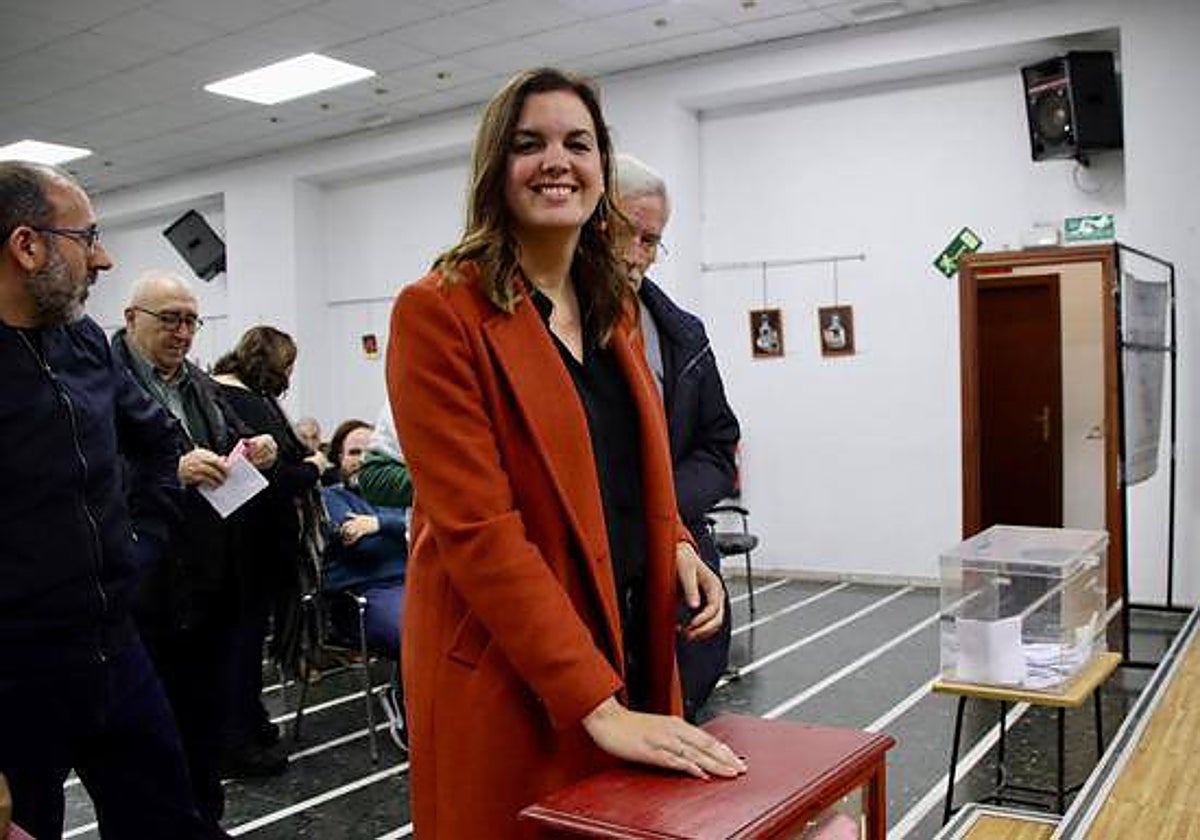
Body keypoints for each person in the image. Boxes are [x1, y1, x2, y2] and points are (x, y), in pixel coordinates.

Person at [387, 68, 746, 839]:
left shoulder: (609, 310)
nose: (557, 161)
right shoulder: (438, 311)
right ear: (496, 168)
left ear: (600, 170)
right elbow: (479, 531)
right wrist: (598, 705)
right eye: (530, 144)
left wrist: (677, 540)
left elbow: (623, 466)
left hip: (624, 638)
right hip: (510, 670)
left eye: (578, 143)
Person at [0, 161, 212, 838]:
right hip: (15, 676)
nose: (103, 256)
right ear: (27, 246)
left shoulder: (84, 343)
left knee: (168, 820)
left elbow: (158, 443)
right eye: (87, 236)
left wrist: (141, 545)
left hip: (114, 648)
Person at [112, 269, 278, 828]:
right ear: (132, 319)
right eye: (170, 319)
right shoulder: (101, 384)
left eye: (190, 321)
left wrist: (254, 448)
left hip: (209, 583)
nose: (182, 333)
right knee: (147, 749)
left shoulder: (199, 383)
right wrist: (169, 471)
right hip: (143, 592)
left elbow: (228, 439)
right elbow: (84, 472)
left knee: (204, 732)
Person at [614, 153, 741, 721]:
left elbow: (718, 446)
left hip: (674, 564)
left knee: (679, 710)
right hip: (602, 576)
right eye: (626, 233)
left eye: (651, 240)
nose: (636, 255)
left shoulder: (681, 334)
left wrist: (664, 512)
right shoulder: (548, 331)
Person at [211, 326, 328, 775]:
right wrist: (314, 467)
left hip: (246, 542)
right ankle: (238, 741)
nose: (290, 375)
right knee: (241, 646)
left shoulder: (226, 393)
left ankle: (249, 722)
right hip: (250, 544)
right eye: (288, 365)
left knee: (242, 645)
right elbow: (274, 477)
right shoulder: (246, 401)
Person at [320, 419, 407, 658]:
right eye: (354, 452)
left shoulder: (392, 492)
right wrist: (397, 526)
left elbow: (419, 524)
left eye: (370, 453)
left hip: (415, 583)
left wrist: (378, 524)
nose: (361, 460)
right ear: (339, 458)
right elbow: (360, 542)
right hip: (365, 594)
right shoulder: (329, 497)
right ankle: (399, 694)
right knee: (420, 639)